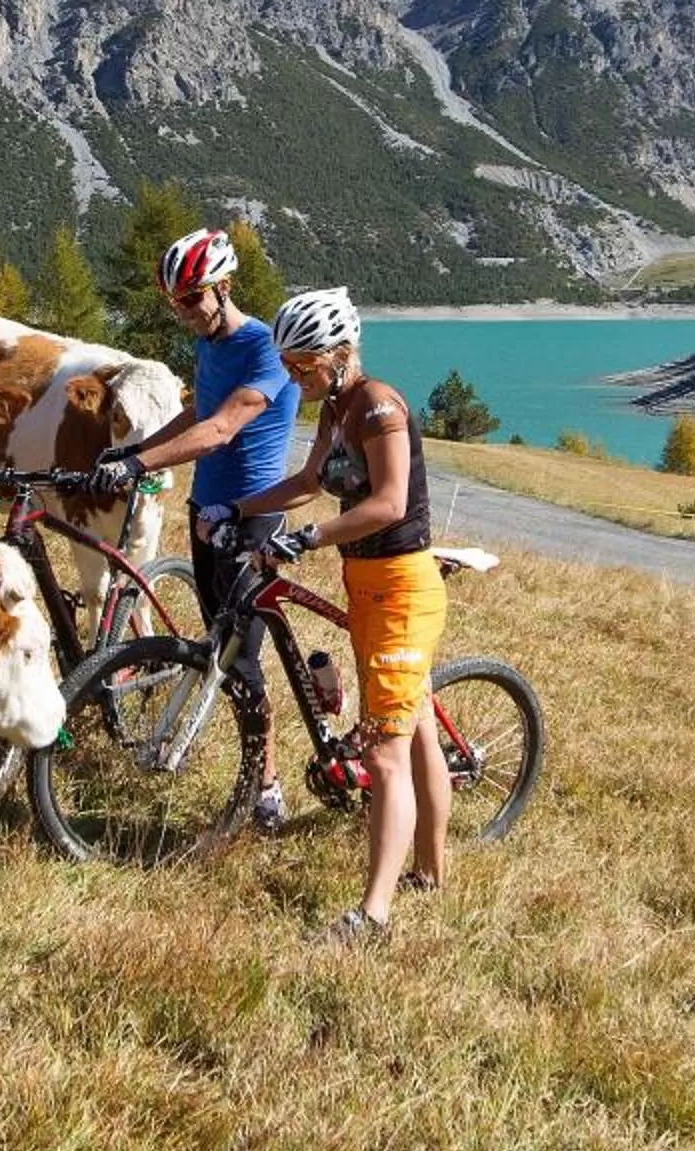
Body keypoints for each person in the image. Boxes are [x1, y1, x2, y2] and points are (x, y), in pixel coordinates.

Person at [231, 286, 447, 944]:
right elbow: (308, 482)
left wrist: (308, 537)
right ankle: (431, 876)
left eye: (303, 366)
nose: (296, 377)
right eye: (290, 367)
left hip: (401, 588)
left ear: (339, 353)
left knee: (384, 754)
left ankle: (373, 916)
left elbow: (386, 502)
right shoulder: (337, 406)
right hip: (366, 583)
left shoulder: (378, 406)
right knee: (417, 735)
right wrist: (236, 511)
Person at [87, 227, 305, 829]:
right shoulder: (210, 347)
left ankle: (265, 788)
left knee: (241, 660)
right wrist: (132, 450)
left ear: (223, 287)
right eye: (174, 303)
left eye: (191, 299)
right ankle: (256, 771)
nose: (183, 312)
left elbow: (221, 430)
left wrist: (138, 464)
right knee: (217, 645)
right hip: (208, 512)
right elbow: (195, 413)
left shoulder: (266, 349)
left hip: (253, 517)